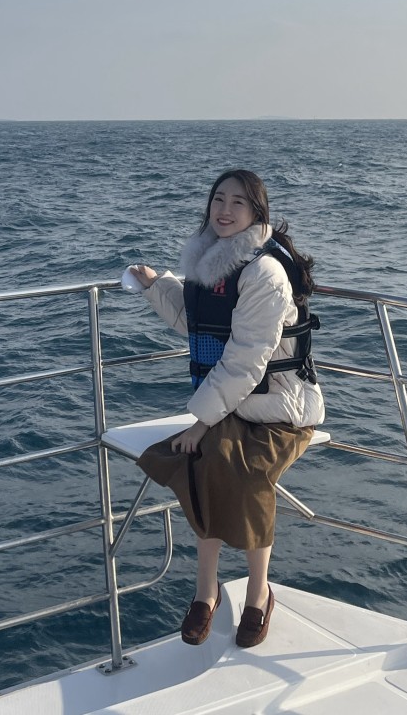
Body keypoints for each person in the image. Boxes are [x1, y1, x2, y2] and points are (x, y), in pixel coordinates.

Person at [126, 168, 325, 649]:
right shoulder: (209, 263)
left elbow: (245, 359)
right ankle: (206, 589)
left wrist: (202, 420)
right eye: (219, 199)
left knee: (238, 469)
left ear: (258, 214)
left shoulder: (264, 272)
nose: (225, 209)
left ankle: (258, 593)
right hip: (233, 403)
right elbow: (197, 325)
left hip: (279, 405)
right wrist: (157, 286)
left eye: (239, 203)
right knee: (200, 462)